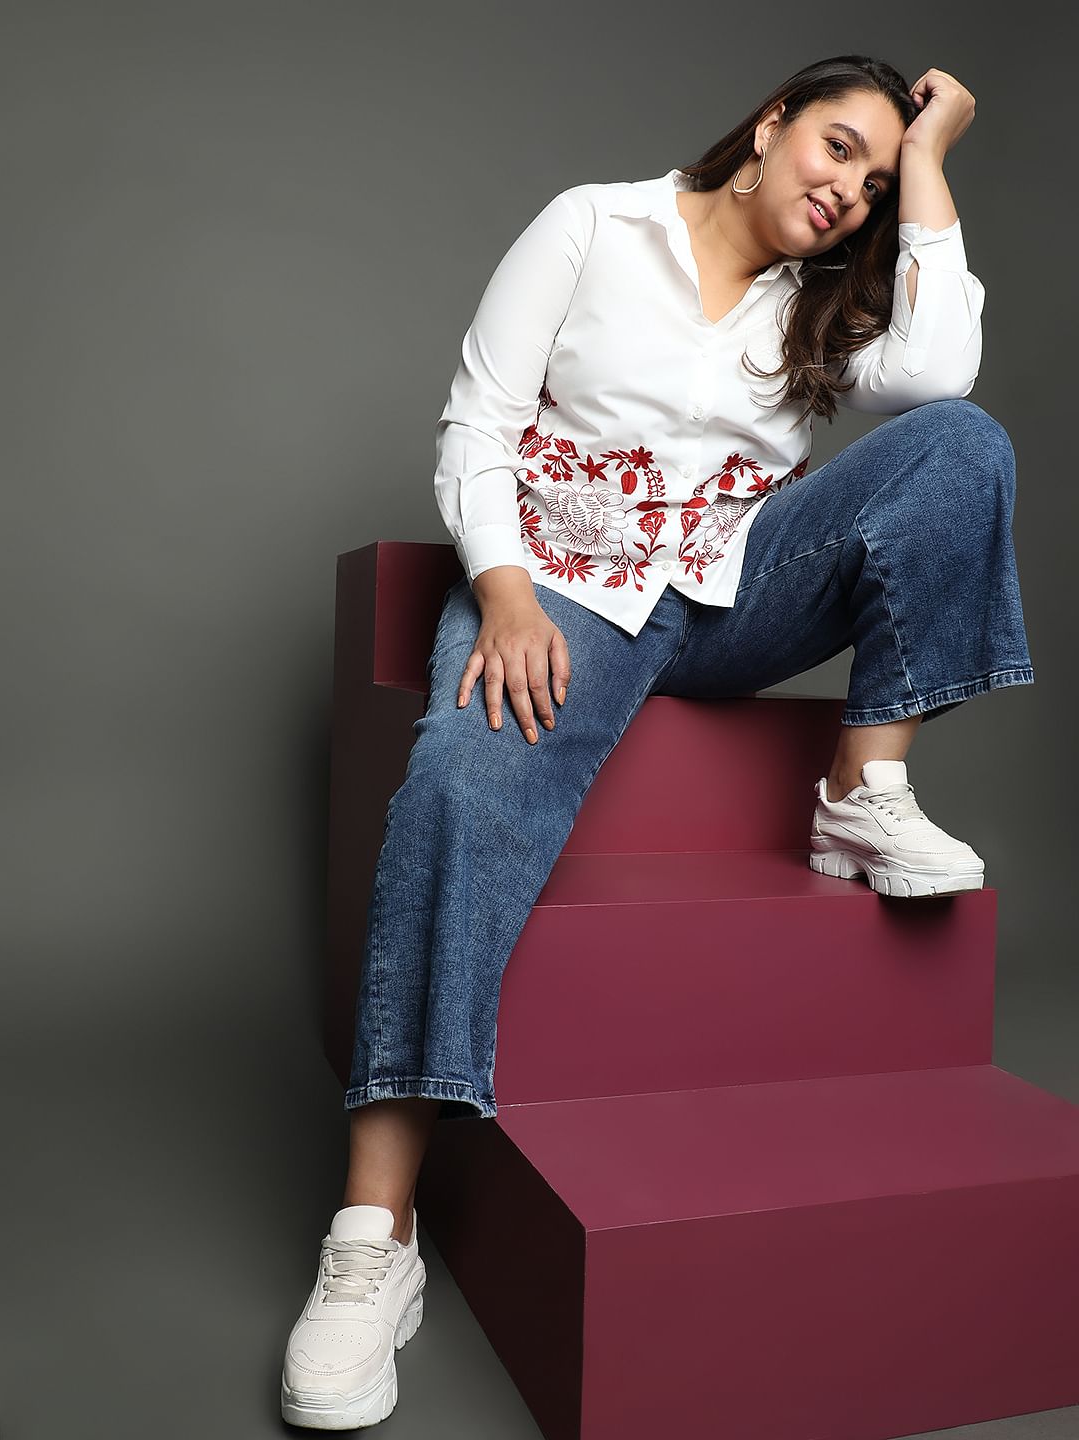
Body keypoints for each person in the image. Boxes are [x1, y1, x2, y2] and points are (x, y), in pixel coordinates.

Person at [280, 53, 1034, 1429]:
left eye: (874, 181)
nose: (849, 190)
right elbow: (480, 421)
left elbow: (944, 369)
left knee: (963, 443)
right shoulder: (594, 225)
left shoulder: (824, 307)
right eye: (840, 147)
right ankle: (373, 1238)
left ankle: (865, 785)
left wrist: (931, 159)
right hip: (566, 586)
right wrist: (505, 593)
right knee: (455, 789)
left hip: (737, 589)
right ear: (771, 125)